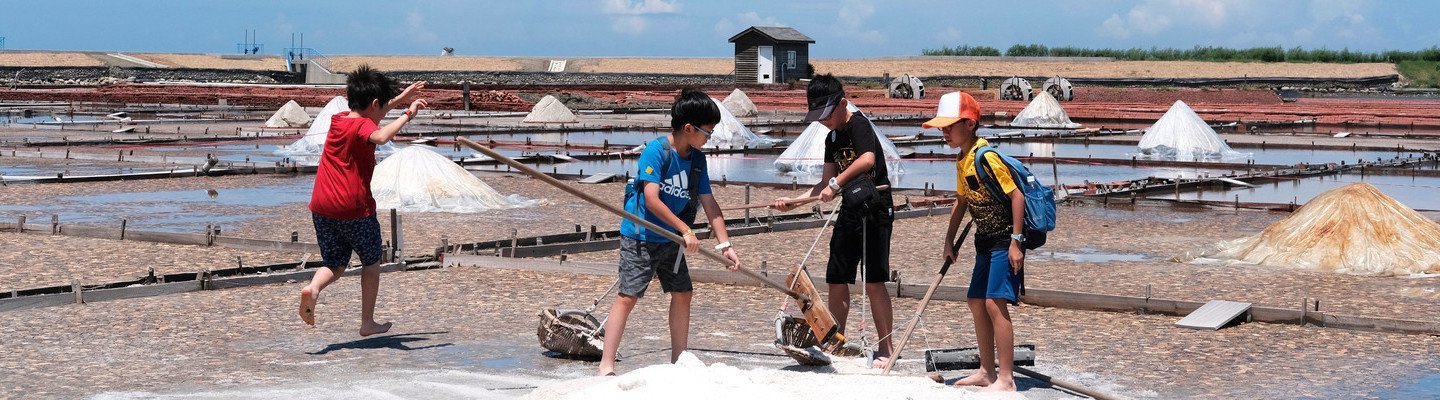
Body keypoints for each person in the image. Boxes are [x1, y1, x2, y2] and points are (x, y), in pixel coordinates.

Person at [596, 88, 742, 376]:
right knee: (628, 296)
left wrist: (725, 245)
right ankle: (606, 365)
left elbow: (710, 204)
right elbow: (651, 199)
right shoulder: (656, 152)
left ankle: (679, 360)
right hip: (641, 235)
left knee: (683, 292)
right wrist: (686, 229)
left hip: (672, 240)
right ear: (689, 128)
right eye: (707, 132)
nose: (709, 138)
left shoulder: (697, 160)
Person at [771, 74, 895, 368]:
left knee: (875, 280)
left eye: (827, 114)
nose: (824, 121)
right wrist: (795, 202)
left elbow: (866, 160)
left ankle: (886, 349)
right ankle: (833, 341)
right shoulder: (832, 138)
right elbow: (823, 184)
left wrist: (836, 185)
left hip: (875, 205)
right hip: (851, 208)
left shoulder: (859, 124)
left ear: (842, 102)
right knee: (837, 275)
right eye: (819, 116)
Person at [297, 65, 427, 336]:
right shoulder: (365, 126)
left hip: (321, 206)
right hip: (354, 208)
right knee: (370, 262)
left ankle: (313, 289)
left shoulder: (340, 119)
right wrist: (407, 114)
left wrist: (402, 97)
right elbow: (379, 135)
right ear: (375, 104)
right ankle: (367, 322)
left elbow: (372, 113)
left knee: (334, 262)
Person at [927, 91, 1024, 392]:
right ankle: (986, 371)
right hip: (983, 240)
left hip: (1003, 240)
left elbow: (1016, 196)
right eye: (941, 127)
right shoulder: (962, 159)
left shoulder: (986, 157)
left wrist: (1016, 242)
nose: (944, 132)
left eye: (949, 126)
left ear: (969, 124)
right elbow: (961, 202)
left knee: (995, 302)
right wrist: (948, 240)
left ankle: (1006, 379)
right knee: (975, 300)